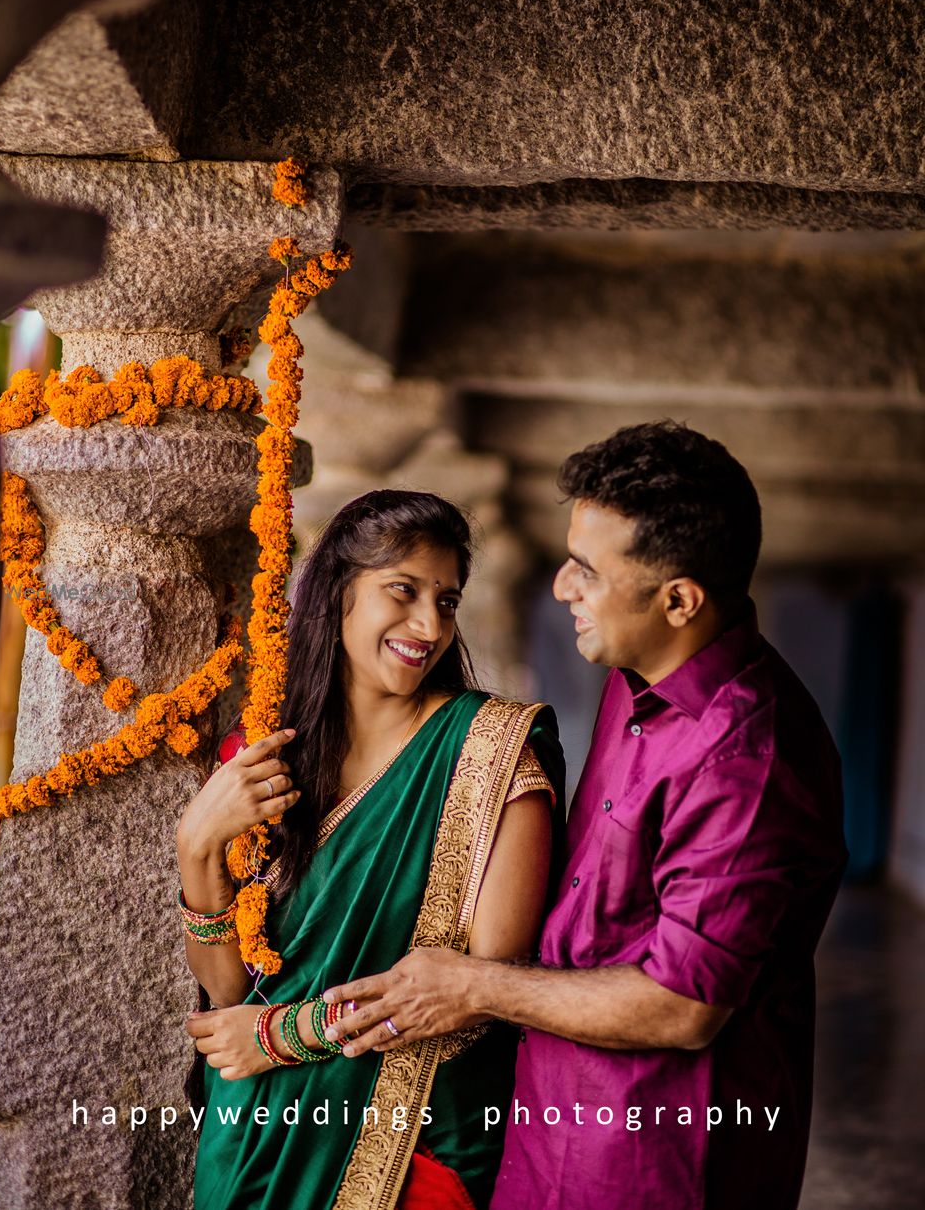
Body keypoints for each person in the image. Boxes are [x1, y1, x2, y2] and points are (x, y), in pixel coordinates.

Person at [322, 422, 848, 1210]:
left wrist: (474, 986)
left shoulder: (748, 757)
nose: (564, 586)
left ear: (679, 601)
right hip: (550, 1124)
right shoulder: (635, 675)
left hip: (660, 1154)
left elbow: (684, 1006)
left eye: (587, 572)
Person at [178, 489, 565, 1210]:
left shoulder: (489, 752)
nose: (428, 624)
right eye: (403, 590)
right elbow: (229, 990)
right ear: (337, 594)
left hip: (410, 1138)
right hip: (254, 1138)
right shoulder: (260, 757)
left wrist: (284, 1033)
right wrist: (197, 846)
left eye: (446, 601)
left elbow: (483, 984)